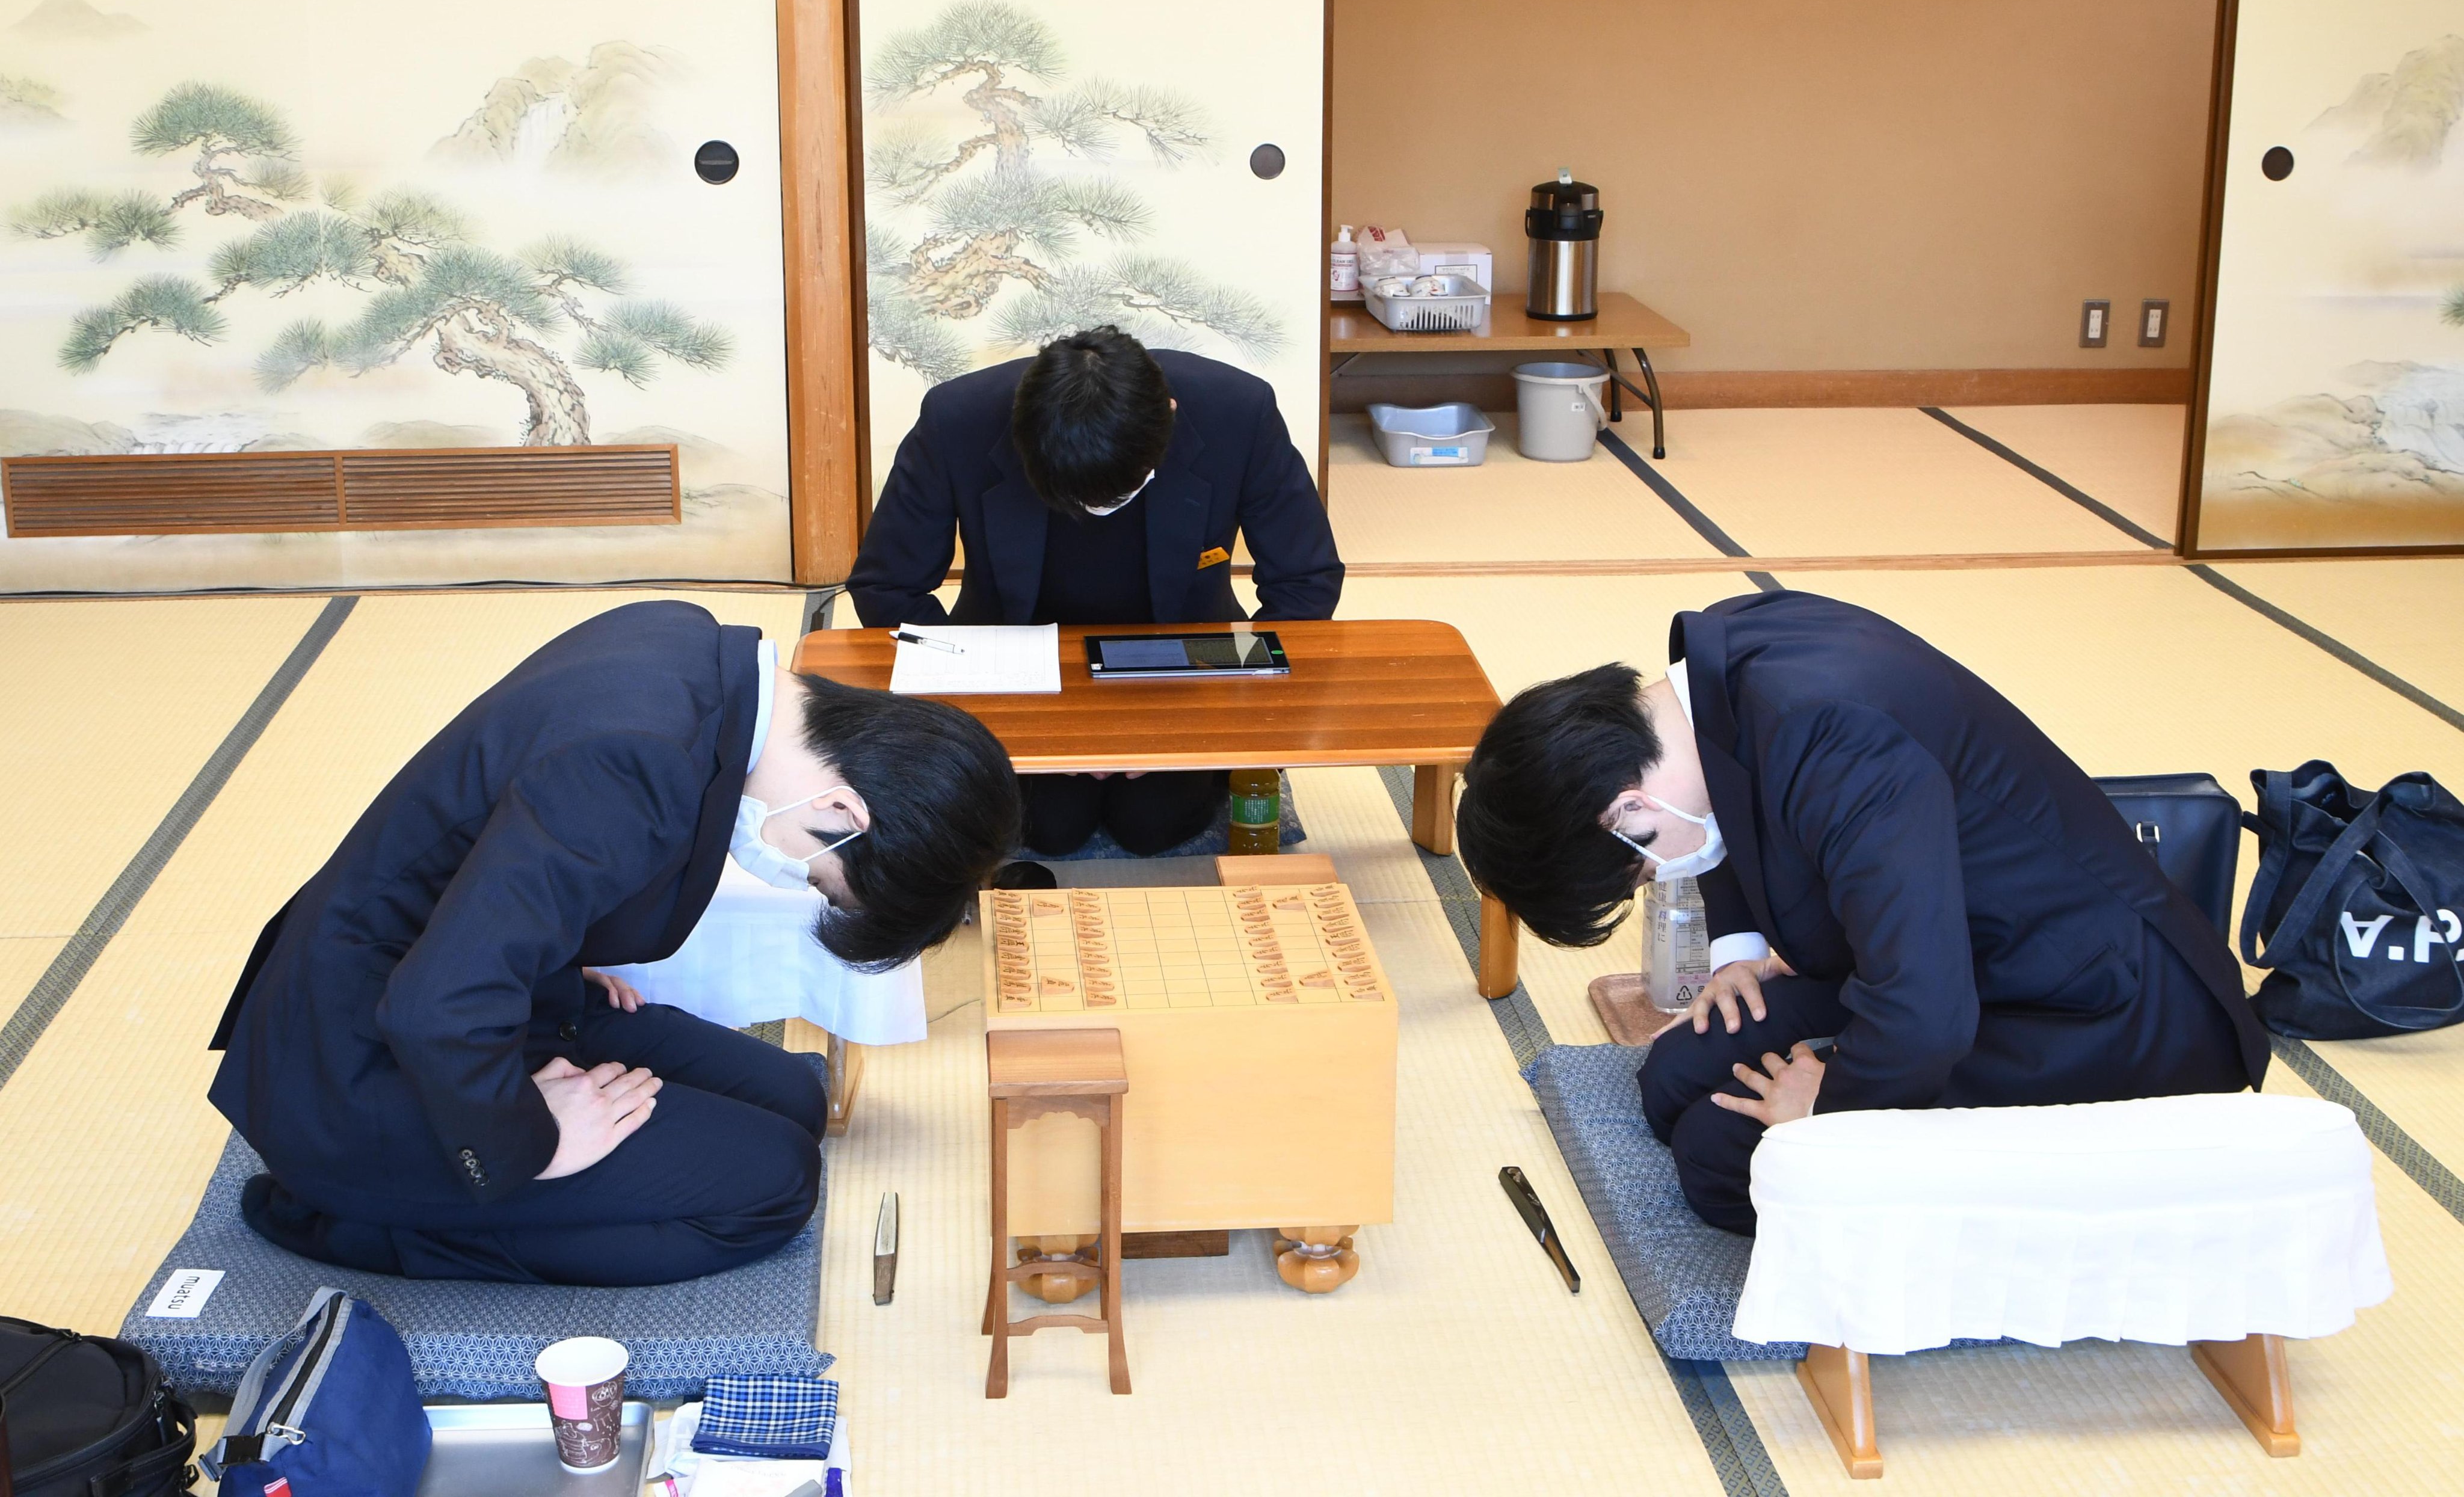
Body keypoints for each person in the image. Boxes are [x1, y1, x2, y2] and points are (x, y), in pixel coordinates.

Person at [208, 600, 1019, 1285]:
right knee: (775, 1187)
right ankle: (355, 1221)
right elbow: (434, 1006)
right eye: (820, 878)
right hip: (363, 1058)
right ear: (844, 812)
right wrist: (535, 1139)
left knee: (793, 1099)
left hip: (482, 984)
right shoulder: (635, 760)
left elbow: (517, 842)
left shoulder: (696, 648)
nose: (798, 877)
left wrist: (541, 937)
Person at [1455, 589, 2268, 1235]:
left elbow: (1924, 1017)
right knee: (1672, 1076)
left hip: (2100, 1011)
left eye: (1637, 870)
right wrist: (1738, 953)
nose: (1654, 878)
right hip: (1960, 956)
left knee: (1718, 1159)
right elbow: (1720, 800)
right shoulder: (1712, 677)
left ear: (1628, 807)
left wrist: (1830, 1105)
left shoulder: (1834, 738)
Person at [849, 325, 1341, 856]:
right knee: (1050, 825)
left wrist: (1227, 711)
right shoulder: (958, 417)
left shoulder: (1238, 411)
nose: (1097, 511)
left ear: (1170, 414)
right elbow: (888, 585)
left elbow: (1305, 579)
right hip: (1015, 664)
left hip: (1182, 663)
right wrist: (974, 703)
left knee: (1153, 823)